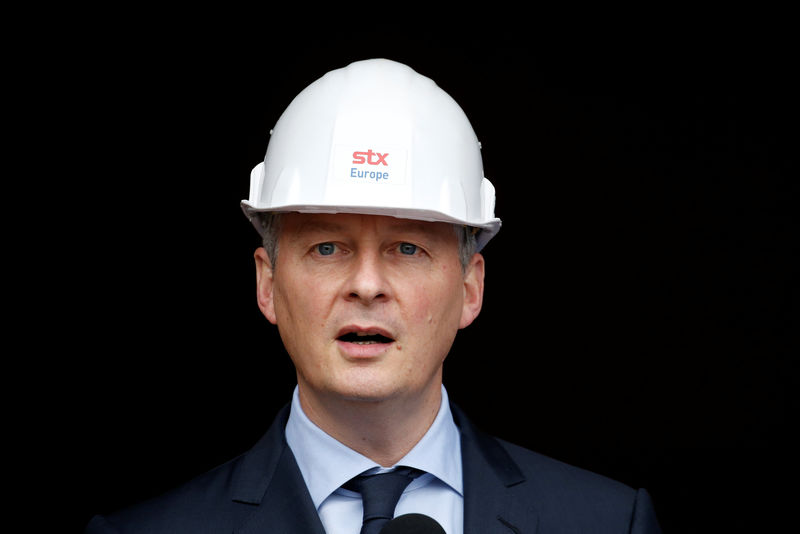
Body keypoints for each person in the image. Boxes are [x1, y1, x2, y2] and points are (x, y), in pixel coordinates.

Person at [85, 58, 662, 533]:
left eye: (408, 249)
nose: (366, 285)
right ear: (267, 284)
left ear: (470, 288)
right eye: (327, 249)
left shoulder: (607, 522)